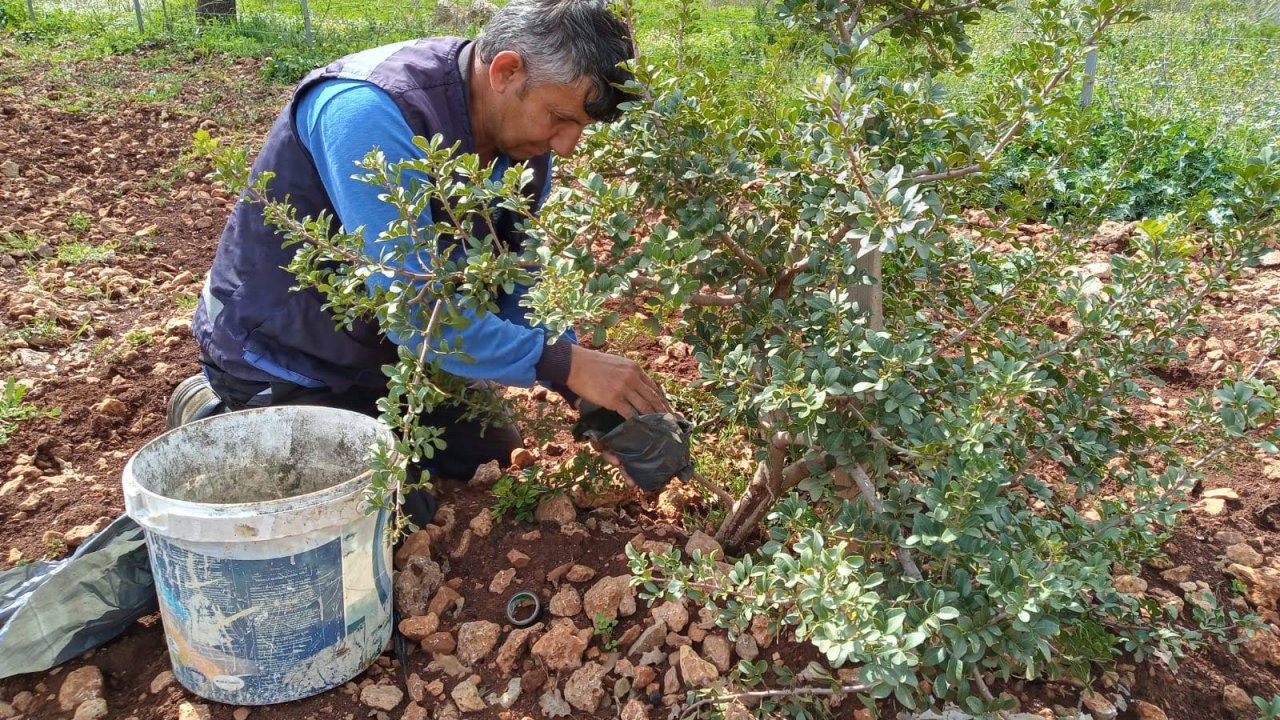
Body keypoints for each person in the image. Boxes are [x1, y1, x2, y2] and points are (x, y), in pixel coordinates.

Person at [170, 0, 672, 522]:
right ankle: (212, 411)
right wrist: (566, 364)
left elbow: (514, 279)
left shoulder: (522, 146)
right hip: (283, 357)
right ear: (506, 71)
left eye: (580, 127)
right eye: (561, 119)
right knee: (392, 519)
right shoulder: (369, 111)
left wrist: (586, 394)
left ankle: (359, 430)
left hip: (392, 364)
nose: (566, 147)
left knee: (491, 452)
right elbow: (415, 312)